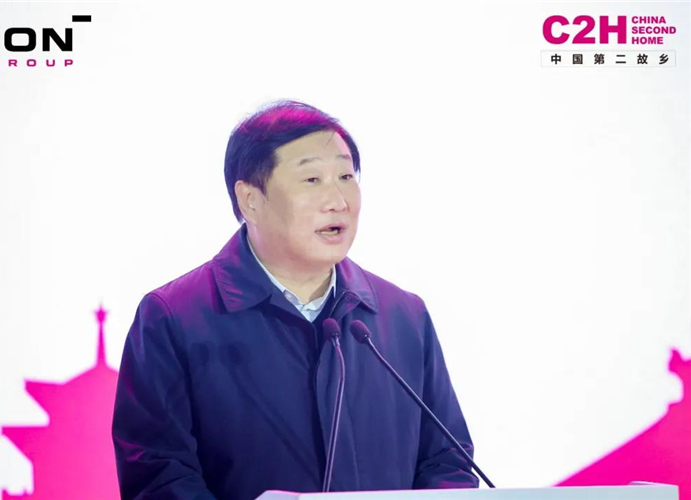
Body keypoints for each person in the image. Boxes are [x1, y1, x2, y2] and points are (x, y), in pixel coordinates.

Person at [112, 100, 479, 499]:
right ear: (251, 200)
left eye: (346, 176)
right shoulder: (174, 318)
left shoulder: (402, 315)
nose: (338, 200)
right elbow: (160, 477)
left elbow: (448, 462)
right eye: (312, 179)